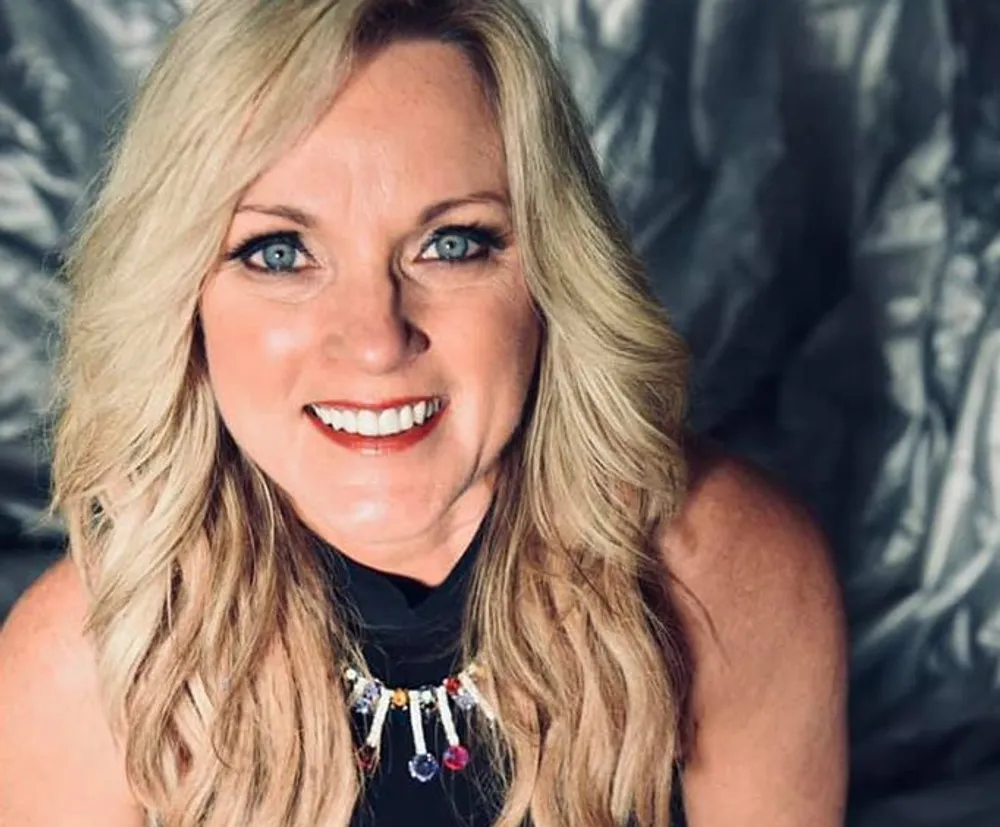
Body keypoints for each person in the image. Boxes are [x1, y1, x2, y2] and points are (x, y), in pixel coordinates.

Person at [0, 0, 847, 825]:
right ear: (183, 305)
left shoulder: (727, 573)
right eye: (279, 252)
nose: (375, 340)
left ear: (552, 281)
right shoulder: (79, 665)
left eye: (451, 242)